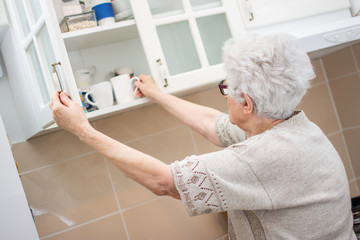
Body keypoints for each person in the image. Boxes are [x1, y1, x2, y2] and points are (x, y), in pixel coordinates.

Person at [50, 33, 356, 240]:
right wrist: (158, 94)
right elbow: (214, 125)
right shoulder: (293, 127)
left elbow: (163, 182)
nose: (225, 95)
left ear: (247, 103)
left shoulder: (266, 156)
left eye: (227, 88)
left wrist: (82, 129)